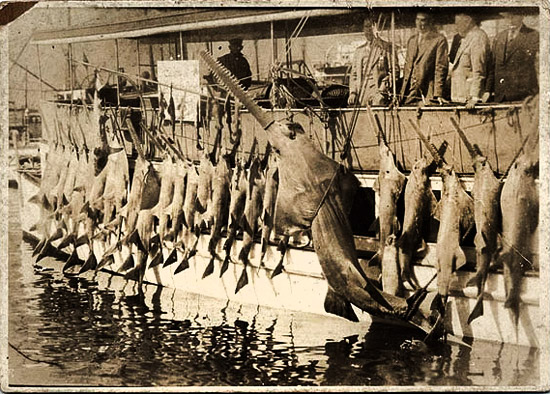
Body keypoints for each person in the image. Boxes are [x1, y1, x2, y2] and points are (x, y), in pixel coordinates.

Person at [487, 10, 539, 102]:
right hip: (501, 96)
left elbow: (538, 66)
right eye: (508, 17)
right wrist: (487, 90)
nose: (510, 20)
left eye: (514, 17)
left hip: (523, 96)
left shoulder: (533, 36)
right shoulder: (499, 37)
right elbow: (493, 67)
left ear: (522, 16)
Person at [347, 14, 398, 107]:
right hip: (362, 94)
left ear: (377, 28)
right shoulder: (359, 51)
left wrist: (383, 89)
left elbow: (394, 72)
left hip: (379, 94)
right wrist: (353, 92)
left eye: (371, 26)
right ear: (363, 29)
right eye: (366, 27)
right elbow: (353, 75)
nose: (369, 30)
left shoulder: (387, 48)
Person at [400, 12, 448, 105]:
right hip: (408, 91)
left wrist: (438, 94)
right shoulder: (412, 40)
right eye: (417, 19)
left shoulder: (439, 40)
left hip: (426, 92)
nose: (419, 23)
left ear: (429, 22)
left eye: (423, 20)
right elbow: (408, 66)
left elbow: (441, 68)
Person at [450, 13, 491, 109]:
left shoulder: (478, 37)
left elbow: (479, 70)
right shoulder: (468, 37)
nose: (456, 27)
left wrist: (475, 97)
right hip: (462, 96)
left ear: (468, 22)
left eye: (458, 24)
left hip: (470, 100)